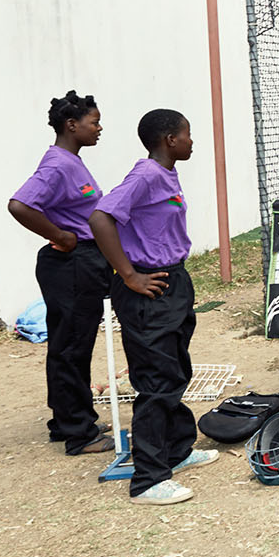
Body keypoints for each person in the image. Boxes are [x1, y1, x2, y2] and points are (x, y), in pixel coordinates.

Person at [88, 109, 218, 505]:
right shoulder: (144, 176)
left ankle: (177, 451)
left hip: (173, 281)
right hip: (148, 287)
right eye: (187, 134)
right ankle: (147, 478)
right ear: (169, 140)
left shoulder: (166, 174)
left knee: (175, 370)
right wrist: (128, 274)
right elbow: (100, 217)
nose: (192, 141)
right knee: (156, 380)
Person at [7, 91, 112, 455]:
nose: (99, 128)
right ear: (72, 125)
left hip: (83, 262)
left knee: (74, 346)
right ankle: (78, 433)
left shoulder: (71, 161)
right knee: (70, 347)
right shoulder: (57, 165)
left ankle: (68, 420)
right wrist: (60, 235)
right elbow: (20, 204)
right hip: (70, 264)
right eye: (93, 122)